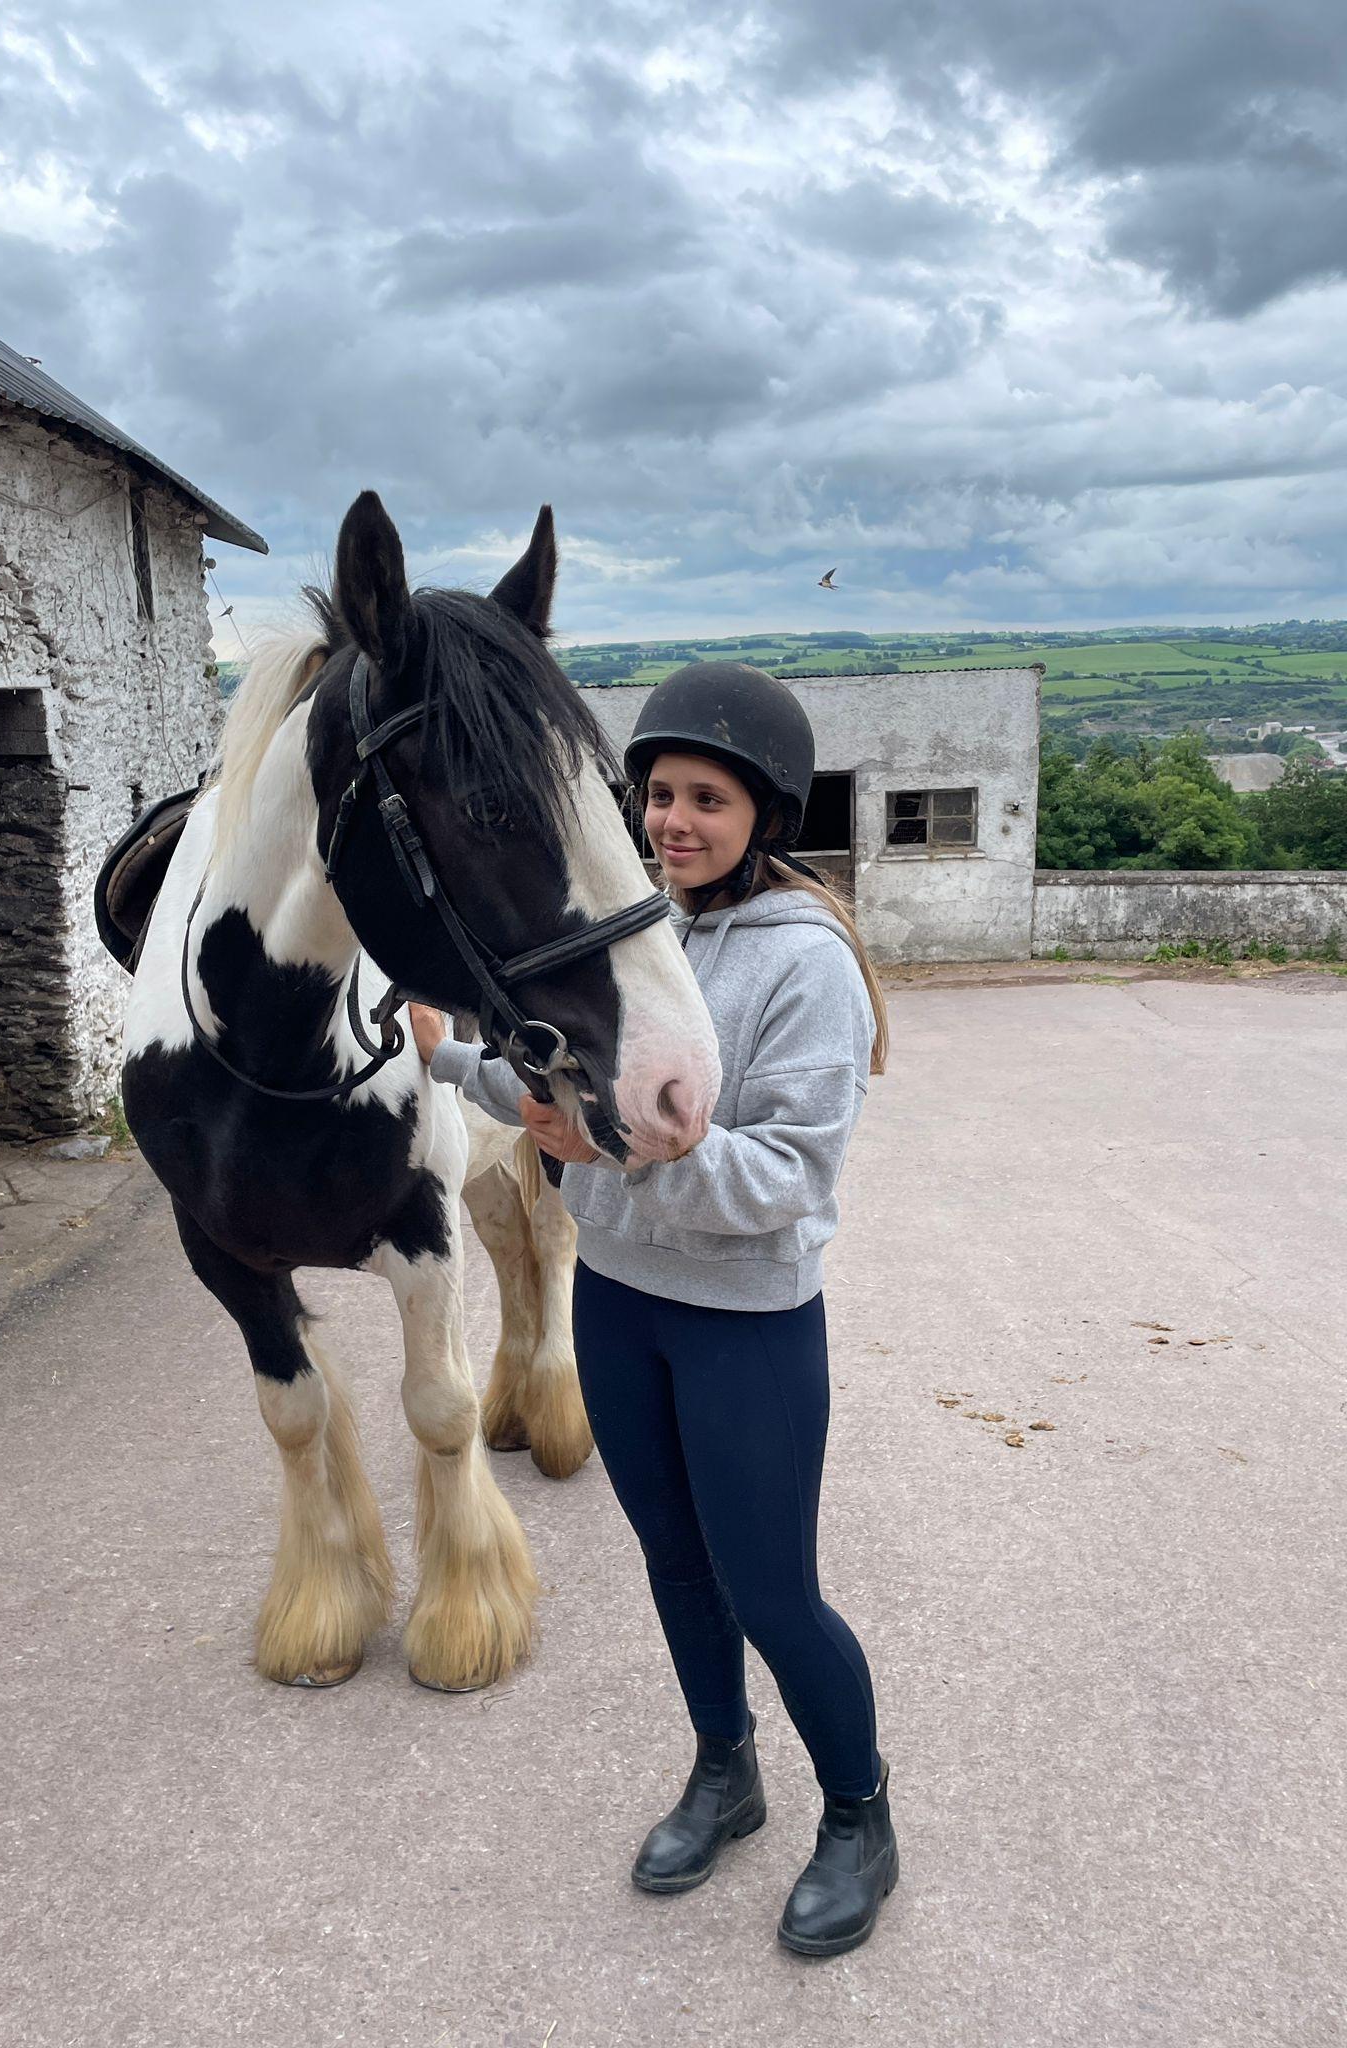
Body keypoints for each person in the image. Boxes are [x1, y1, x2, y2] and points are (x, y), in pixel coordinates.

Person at [410, 662, 897, 1958]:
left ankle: (859, 1816)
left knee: (774, 1594)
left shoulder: (808, 967)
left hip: (747, 1329)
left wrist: (619, 1149)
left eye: (707, 800)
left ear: (766, 815)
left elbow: (788, 1179)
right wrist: (450, 1059)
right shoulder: (643, 936)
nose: (674, 821)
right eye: (660, 795)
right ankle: (725, 1771)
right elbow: (558, 1092)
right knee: (674, 1565)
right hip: (620, 1307)